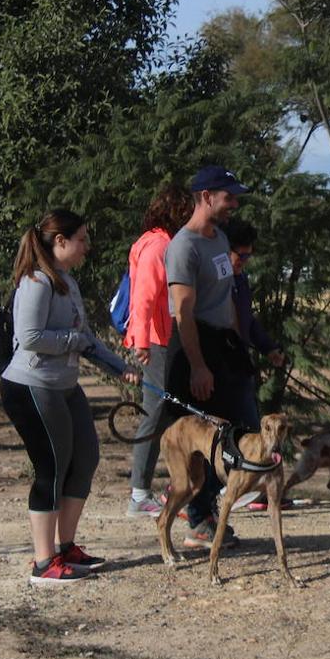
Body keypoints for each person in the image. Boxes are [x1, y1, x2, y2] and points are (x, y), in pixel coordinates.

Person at [0, 208, 140, 585]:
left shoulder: (67, 281)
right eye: (81, 240)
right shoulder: (36, 281)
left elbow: (87, 336)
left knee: (86, 458)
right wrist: (72, 342)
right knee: (53, 467)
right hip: (31, 386)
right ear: (60, 242)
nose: (86, 247)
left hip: (64, 385)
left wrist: (119, 367)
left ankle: (67, 547)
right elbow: (29, 337)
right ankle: (43, 563)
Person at [161, 164, 258, 548]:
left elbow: (226, 296)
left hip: (224, 345)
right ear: (205, 197)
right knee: (205, 437)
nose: (234, 203)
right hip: (194, 347)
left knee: (242, 427)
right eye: (228, 196)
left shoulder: (219, 239)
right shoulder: (183, 247)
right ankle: (198, 520)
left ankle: (207, 508)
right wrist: (198, 366)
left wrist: (237, 342)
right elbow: (183, 312)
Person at [123, 183, 192, 517]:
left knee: (168, 414)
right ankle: (139, 493)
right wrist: (140, 341)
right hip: (157, 340)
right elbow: (144, 297)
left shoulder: (161, 242)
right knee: (154, 414)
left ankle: (170, 487)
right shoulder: (158, 245)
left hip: (165, 338)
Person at [221, 219, 290, 513]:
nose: (245, 262)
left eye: (249, 256)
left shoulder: (241, 281)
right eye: (241, 256)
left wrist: (269, 348)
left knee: (251, 424)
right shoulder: (214, 283)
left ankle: (260, 487)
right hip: (218, 365)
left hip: (241, 364)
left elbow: (248, 322)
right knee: (229, 431)